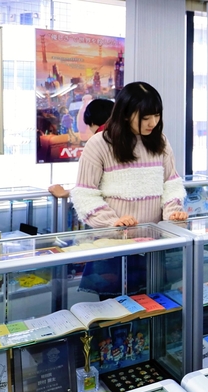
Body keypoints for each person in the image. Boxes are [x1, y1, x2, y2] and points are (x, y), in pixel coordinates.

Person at [69, 82, 187, 298]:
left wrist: (173, 213)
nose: (153, 123)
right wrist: (112, 222)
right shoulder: (99, 144)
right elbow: (85, 193)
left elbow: (171, 183)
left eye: (157, 115)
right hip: (115, 249)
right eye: (145, 117)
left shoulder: (160, 141)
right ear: (125, 114)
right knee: (117, 311)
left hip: (153, 247)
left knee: (157, 308)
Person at [48, 98, 115, 199]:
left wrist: (65, 193)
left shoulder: (98, 142)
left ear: (92, 122)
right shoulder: (130, 139)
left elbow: (87, 187)